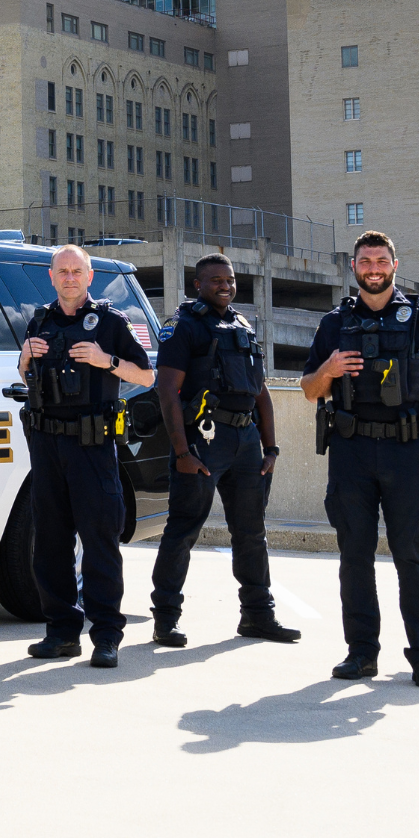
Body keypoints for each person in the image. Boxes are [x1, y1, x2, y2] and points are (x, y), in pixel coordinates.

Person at [300, 231, 419, 688]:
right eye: (365, 261)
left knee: (412, 554)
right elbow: (309, 388)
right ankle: (361, 653)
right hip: (350, 452)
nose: (374, 268)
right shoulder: (335, 323)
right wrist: (328, 371)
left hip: (407, 451)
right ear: (353, 267)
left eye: (381, 260)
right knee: (355, 556)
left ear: (395, 264)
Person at [148, 253, 299, 648]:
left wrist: (271, 447)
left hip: (245, 442)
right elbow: (166, 392)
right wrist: (182, 452)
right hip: (202, 440)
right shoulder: (184, 326)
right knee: (183, 531)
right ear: (197, 285)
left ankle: (257, 617)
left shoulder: (242, 325)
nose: (225, 286)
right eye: (215, 280)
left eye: (229, 280)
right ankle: (165, 619)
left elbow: (261, 391)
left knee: (251, 533)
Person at [17, 245, 157, 668]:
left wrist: (105, 359)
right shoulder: (39, 320)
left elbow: (147, 374)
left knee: (99, 540)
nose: (70, 278)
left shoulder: (111, 322)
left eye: (77, 271)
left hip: (92, 446)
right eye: (63, 271)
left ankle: (106, 636)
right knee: (51, 542)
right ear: (52, 276)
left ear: (90, 276)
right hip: (46, 445)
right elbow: (25, 375)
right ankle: (61, 631)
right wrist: (24, 358)